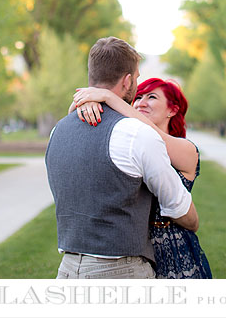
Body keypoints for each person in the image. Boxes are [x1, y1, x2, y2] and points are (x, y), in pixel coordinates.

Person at [44, 37, 198, 279]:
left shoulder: (57, 132)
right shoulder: (137, 135)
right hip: (120, 270)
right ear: (127, 81)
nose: (140, 98)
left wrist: (103, 100)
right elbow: (183, 212)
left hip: (68, 269)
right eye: (136, 80)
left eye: (152, 97)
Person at [71, 77, 212, 279]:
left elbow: (155, 137)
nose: (141, 103)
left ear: (172, 110)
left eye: (151, 97)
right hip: (134, 254)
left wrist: (108, 96)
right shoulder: (132, 144)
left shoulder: (186, 150)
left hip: (173, 249)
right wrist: (88, 101)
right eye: (137, 97)